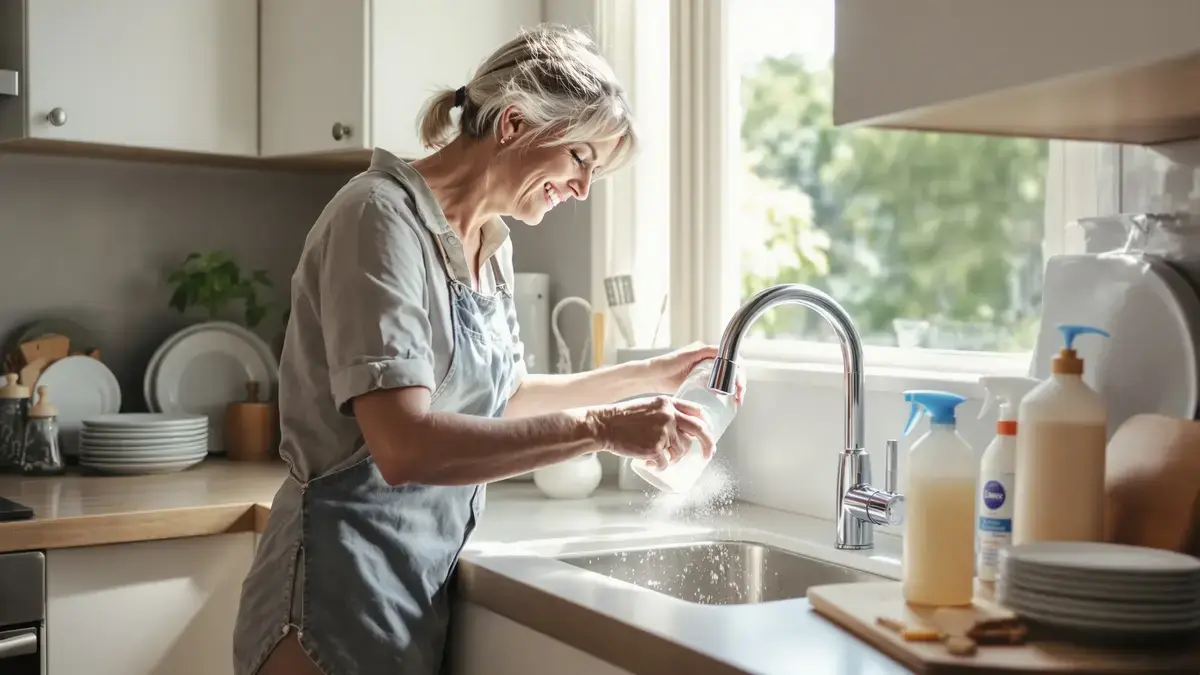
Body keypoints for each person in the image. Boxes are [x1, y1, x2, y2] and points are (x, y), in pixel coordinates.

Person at [232, 23, 742, 675]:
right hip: (332, 593)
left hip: (413, 584)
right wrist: (604, 429)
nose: (584, 188)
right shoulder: (378, 219)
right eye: (582, 158)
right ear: (512, 125)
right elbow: (404, 445)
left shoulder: (490, 244)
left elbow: (503, 397)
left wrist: (656, 375)